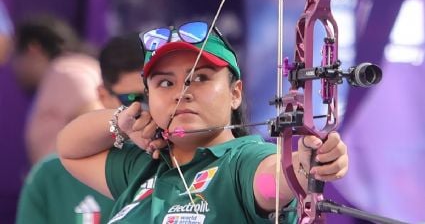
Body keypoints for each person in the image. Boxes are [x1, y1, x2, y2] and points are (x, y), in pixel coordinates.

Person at [57, 21, 348, 223]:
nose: (181, 93)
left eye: (199, 78)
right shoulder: (145, 166)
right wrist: (122, 122)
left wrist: (302, 165)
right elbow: (69, 149)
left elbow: (272, 182)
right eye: (164, 83)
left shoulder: (243, 160)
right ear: (149, 97)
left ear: (235, 93)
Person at [16, 33, 146, 224]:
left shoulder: (191, 164)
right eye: (133, 99)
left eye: (163, 88)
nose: (146, 111)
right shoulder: (50, 176)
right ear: (102, 95)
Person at [13, 14, 102, 164]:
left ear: (32, 49)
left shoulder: (65, 73)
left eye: (15, 57)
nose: (14, 67)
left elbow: (97, 120)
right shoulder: (70, 71)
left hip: (73, 184)